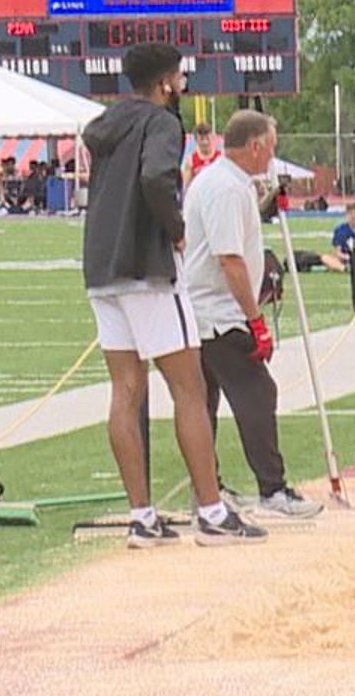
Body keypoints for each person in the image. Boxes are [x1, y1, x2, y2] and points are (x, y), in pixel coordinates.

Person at [82, 42, 260, 549]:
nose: (183, 85)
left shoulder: (106, 126)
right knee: (189, 388)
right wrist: (177, 229)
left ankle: (142, 516)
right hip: (148, 268)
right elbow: (157, 177)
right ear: (164, 83)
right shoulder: (162, 124)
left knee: (125, 391)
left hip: (101, 268)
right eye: (179, 77)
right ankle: (212, 511)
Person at [183, 109, 321, 519]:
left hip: (204, 310)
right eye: (271, 147)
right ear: (256, 145)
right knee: (257, 393)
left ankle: (208, 489)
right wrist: (255, 319)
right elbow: (230, 259)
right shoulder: (226, 187)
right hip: (219, 313)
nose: (272, 156)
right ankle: (271, 489)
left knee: (204, 401)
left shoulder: (223, 182)